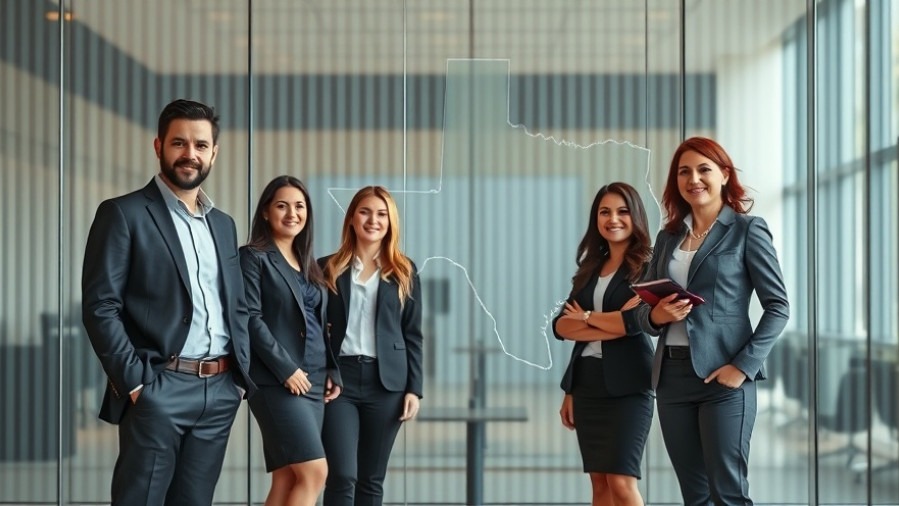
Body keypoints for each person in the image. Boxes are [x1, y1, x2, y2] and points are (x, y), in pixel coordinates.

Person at [81, 98, 255, 506]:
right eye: (179, 143)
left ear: (214, 152)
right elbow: (100, 306)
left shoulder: (223, 224)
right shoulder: (123, 214)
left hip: (220, 390)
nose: (189, 154)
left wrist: (240, 381)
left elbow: (237, 305)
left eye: (199, 145)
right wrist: (138, 384)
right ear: (158, 146)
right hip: (159, 385)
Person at [635, 137, 789, 505]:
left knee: (728, 493)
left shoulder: (747, 230)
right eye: (684, 171)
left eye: (704, 169)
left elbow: (778, 307)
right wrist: (655, 315)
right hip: (671, 379)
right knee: (695, 494)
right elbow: (644, 310)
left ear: (723, 174)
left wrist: (742, 367)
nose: (694, 179)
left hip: (724, 379)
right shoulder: (668, 237)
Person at [240, 176, 344, 506]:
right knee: (315, 473)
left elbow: (318, 324)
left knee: (288, 476)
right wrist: (286, 369)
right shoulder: (253, 257)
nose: (292, 213)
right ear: (267, 212)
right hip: (277, 381)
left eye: (299, 206)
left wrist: (331, 369)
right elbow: (250, 318)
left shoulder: (309, 264)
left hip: (313, 380)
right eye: (282, 206)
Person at [319, 185, 424, 506]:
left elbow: (413, 334)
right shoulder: (327, 268)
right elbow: (312, 329)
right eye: (365, 212)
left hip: (387, 383)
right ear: (351, 217)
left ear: (390, 222)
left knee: (371, 479)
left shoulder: (405, 271)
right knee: (342, 474)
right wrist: (322, 368)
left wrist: (414, 389)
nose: (373, 220)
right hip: (339, 382)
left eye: (382, 214)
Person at [552, 182, 655, 506]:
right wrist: (605, 321)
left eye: (622, 211)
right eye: (605, 212)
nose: (613, 219)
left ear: (635, 216)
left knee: (622, 483)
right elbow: (561, 326)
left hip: (629, 386)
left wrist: (585, 317)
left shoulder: (647, 269)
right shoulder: (589, 268)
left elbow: (637, 325)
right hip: (587, 385)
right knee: (599, 485)